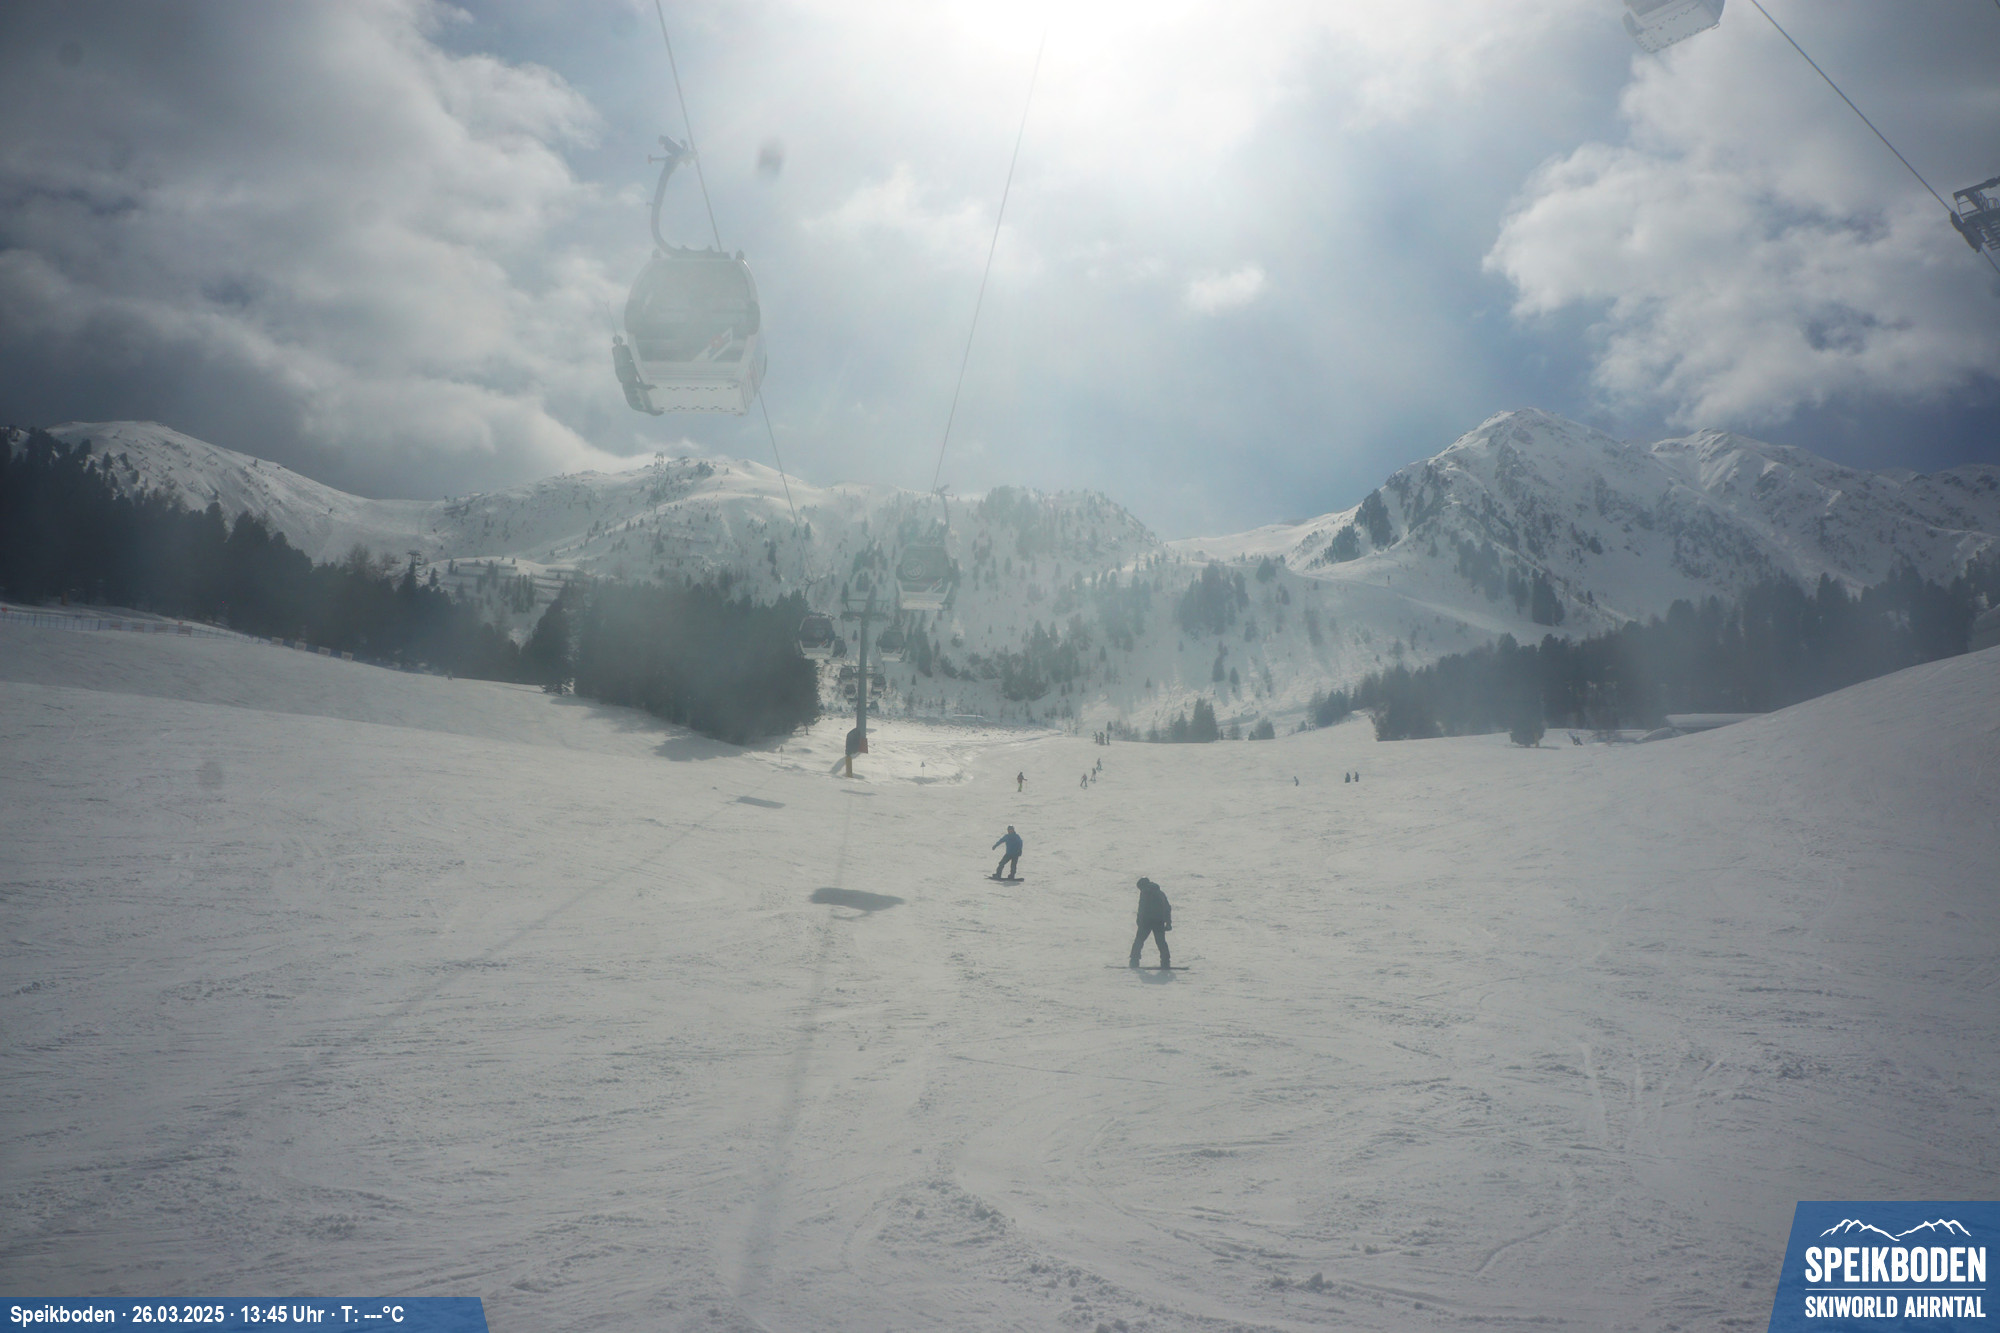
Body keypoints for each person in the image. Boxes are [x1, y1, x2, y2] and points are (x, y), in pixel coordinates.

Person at [1130, 877, 1172, 968]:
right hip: (1159, 921)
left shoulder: (1145, 892)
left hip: (1146, 921)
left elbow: (1142, 908)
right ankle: (1165, 961)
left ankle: (1134, 960)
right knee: (1161, 942)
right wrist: (1168, 922)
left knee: (1139, 941)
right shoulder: (1160, 893)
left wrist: (1139, 920)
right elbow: (1167, 908)